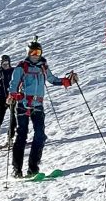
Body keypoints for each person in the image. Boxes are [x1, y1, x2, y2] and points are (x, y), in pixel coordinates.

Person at [7, 38, 75, 177]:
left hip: (38, 105)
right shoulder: (21, 67)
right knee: (22, 136)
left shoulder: (43, 66)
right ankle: (17, 170)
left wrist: (67, 81)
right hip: (23, 106)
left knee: (40, 135)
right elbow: (13, 85)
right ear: (28, 53)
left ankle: (33, 168)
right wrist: (15, 95)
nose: (35, 54)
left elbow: (52, 79)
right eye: (32, 52)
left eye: (38, 52)